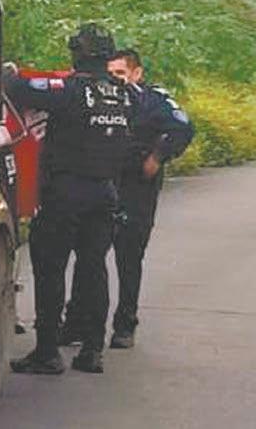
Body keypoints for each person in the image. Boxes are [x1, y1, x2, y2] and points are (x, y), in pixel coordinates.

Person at [5, 23, 134, 375]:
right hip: (105, 192)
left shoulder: (71, 89)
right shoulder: (123, 94)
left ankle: (47, 351)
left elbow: (16, 88)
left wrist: (9, 72)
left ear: (77, 52)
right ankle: (92, 350)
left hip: (65, 192)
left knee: (50, 269)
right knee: (94, 269)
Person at [60, 49, 194, 349]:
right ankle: (76, 323)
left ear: (137, 73)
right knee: (89, 255)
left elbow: (183, 127)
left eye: (120, 73)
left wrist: (157, 157)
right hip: (104, 180)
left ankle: (125, 324)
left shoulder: (152, 100)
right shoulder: (96, 96)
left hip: (137, 186)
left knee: (129, 256)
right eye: (110, 74)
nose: (115, 80)